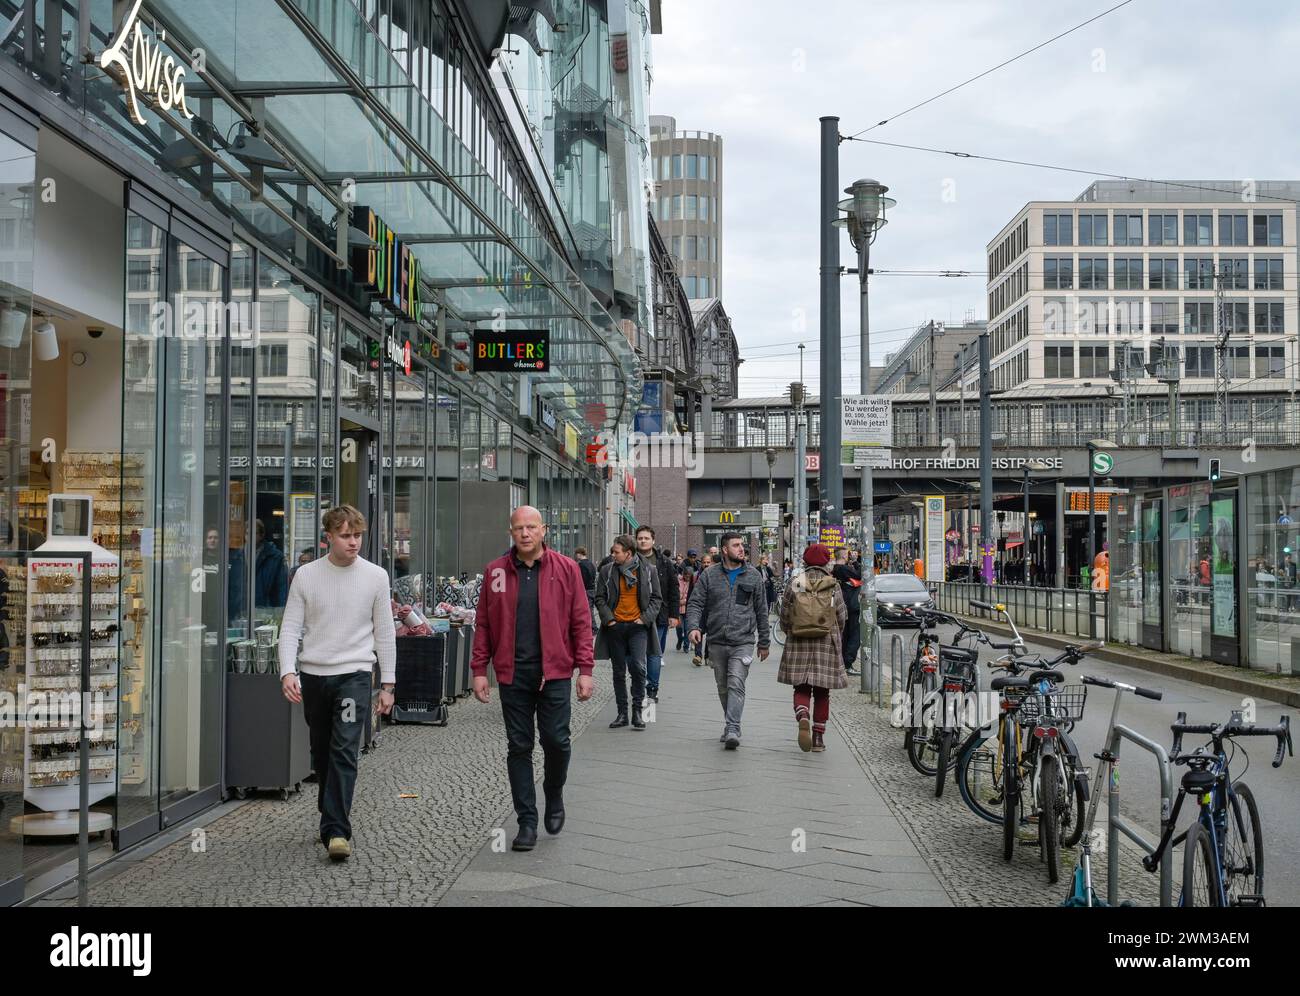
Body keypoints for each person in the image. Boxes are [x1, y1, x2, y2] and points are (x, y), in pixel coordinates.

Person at [471, 505, 594, 852]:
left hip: (554, 673)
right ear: (511, 533)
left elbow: (581, 623)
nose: (525, 533)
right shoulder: (495, 572)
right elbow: (483, 624)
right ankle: (526, 821)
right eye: (518, 528)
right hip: (513, 675)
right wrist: (480, 670)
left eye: (531, 527)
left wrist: (585, 670)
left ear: (543, 531)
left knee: (557, 741)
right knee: (519, 747)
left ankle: (553, 792)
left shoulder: (567, 570)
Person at [279, 504, 396, 861]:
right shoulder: (306, 576)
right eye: (345, 535)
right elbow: (291, 627)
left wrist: (388, 684)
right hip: (315, 676)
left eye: (358, 535)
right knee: (322, 752)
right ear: (328, 537)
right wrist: (287, 670)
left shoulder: (376, 576)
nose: (353, 542)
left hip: (355, 675)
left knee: (345, 749)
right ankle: (330, 811)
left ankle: (337, 831)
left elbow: (385, 632)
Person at [685, 531, 771, 749]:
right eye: (736, 545)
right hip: (716, 640)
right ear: (724, 550)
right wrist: (694, 627)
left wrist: (764, 642)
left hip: (743, 640)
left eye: (742, 545)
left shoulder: (753, 576)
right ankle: (731, 724)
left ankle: (733, 727)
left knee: (736, 683)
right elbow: (695, 603)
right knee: (723, 687)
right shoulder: (709, 575)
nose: (741, 549)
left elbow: (762, 611)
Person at [779, 544, 848, 752]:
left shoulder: (798, 581)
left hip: (799, 640)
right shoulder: (832, 585)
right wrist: (837, 633)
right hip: (826, 642)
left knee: (801, 687)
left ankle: (803, 715)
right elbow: (841, 615)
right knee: (821, 692)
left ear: (805, 562)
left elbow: (785, 611)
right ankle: (818, 739)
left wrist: (788, 630)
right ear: (827, 561)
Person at [594, 535, 661, 729]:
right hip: (615, 627)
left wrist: (644, 619)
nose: (612, 555)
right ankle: (622, 713)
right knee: (618, 672)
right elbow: (599, 598)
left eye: (616, 552)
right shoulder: (607, 571)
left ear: (628, 553)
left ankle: (638, 712)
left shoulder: (648, 570)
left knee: (639, 668)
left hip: (638, 627)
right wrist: (610, 620)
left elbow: (657, 598)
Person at [634, 526, 678, 703]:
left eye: (646, 538)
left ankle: (652, 688)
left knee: (654, 653)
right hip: (633, 615)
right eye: (640, 538)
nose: (643, 541)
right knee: (636, 655)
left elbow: (673, 588)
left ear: (653, 540)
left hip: (659, 614)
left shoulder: (664, 562)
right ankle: (638, 684)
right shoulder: (629, 559)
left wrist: (674, 614)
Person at [831, 546, 862, 676]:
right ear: (844, 555)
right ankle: (848, 663)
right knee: (854, 635)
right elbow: (860, 575)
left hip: (843, 605)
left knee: (844, 635)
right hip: (851, 605)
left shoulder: (835, 569)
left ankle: (843, 662)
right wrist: (855, 562)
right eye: (847, 554)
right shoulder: (843, 568)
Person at [254, 519, 289, 609]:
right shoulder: (238, 555)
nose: (250, 536)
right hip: (242, 608)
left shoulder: (275, 556)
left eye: (254, 533)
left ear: (261, 535)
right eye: (246, 533)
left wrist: (282, 610)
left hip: (267, 608)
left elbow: (282, 586)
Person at [574, 546, 598, 636]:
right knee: (591, 609)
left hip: (586, 590)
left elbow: (581, 579)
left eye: (576, 554)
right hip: (592, 589)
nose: (576, 556)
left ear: (579, 554)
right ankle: (593, 627)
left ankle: (593, 628)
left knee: (588, 610)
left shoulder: (581, 565)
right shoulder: (591, 564)